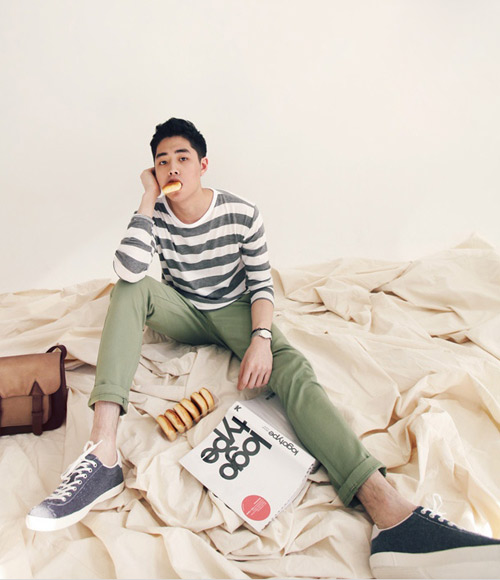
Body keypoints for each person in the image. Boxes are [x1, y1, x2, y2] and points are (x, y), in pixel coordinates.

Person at [26, 118, 500, 578]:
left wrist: (260, 339)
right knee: (129, 289)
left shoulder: (242, 213)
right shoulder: (157, 215)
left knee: (294, 370)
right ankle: (103, 454)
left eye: (182, 158)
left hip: (235, 309)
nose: (172, 168)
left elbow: (261, 285)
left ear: (203, 165)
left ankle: (389, 509)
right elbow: (129, 271)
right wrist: (147, 200)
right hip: (183, 312)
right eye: (162, 161)